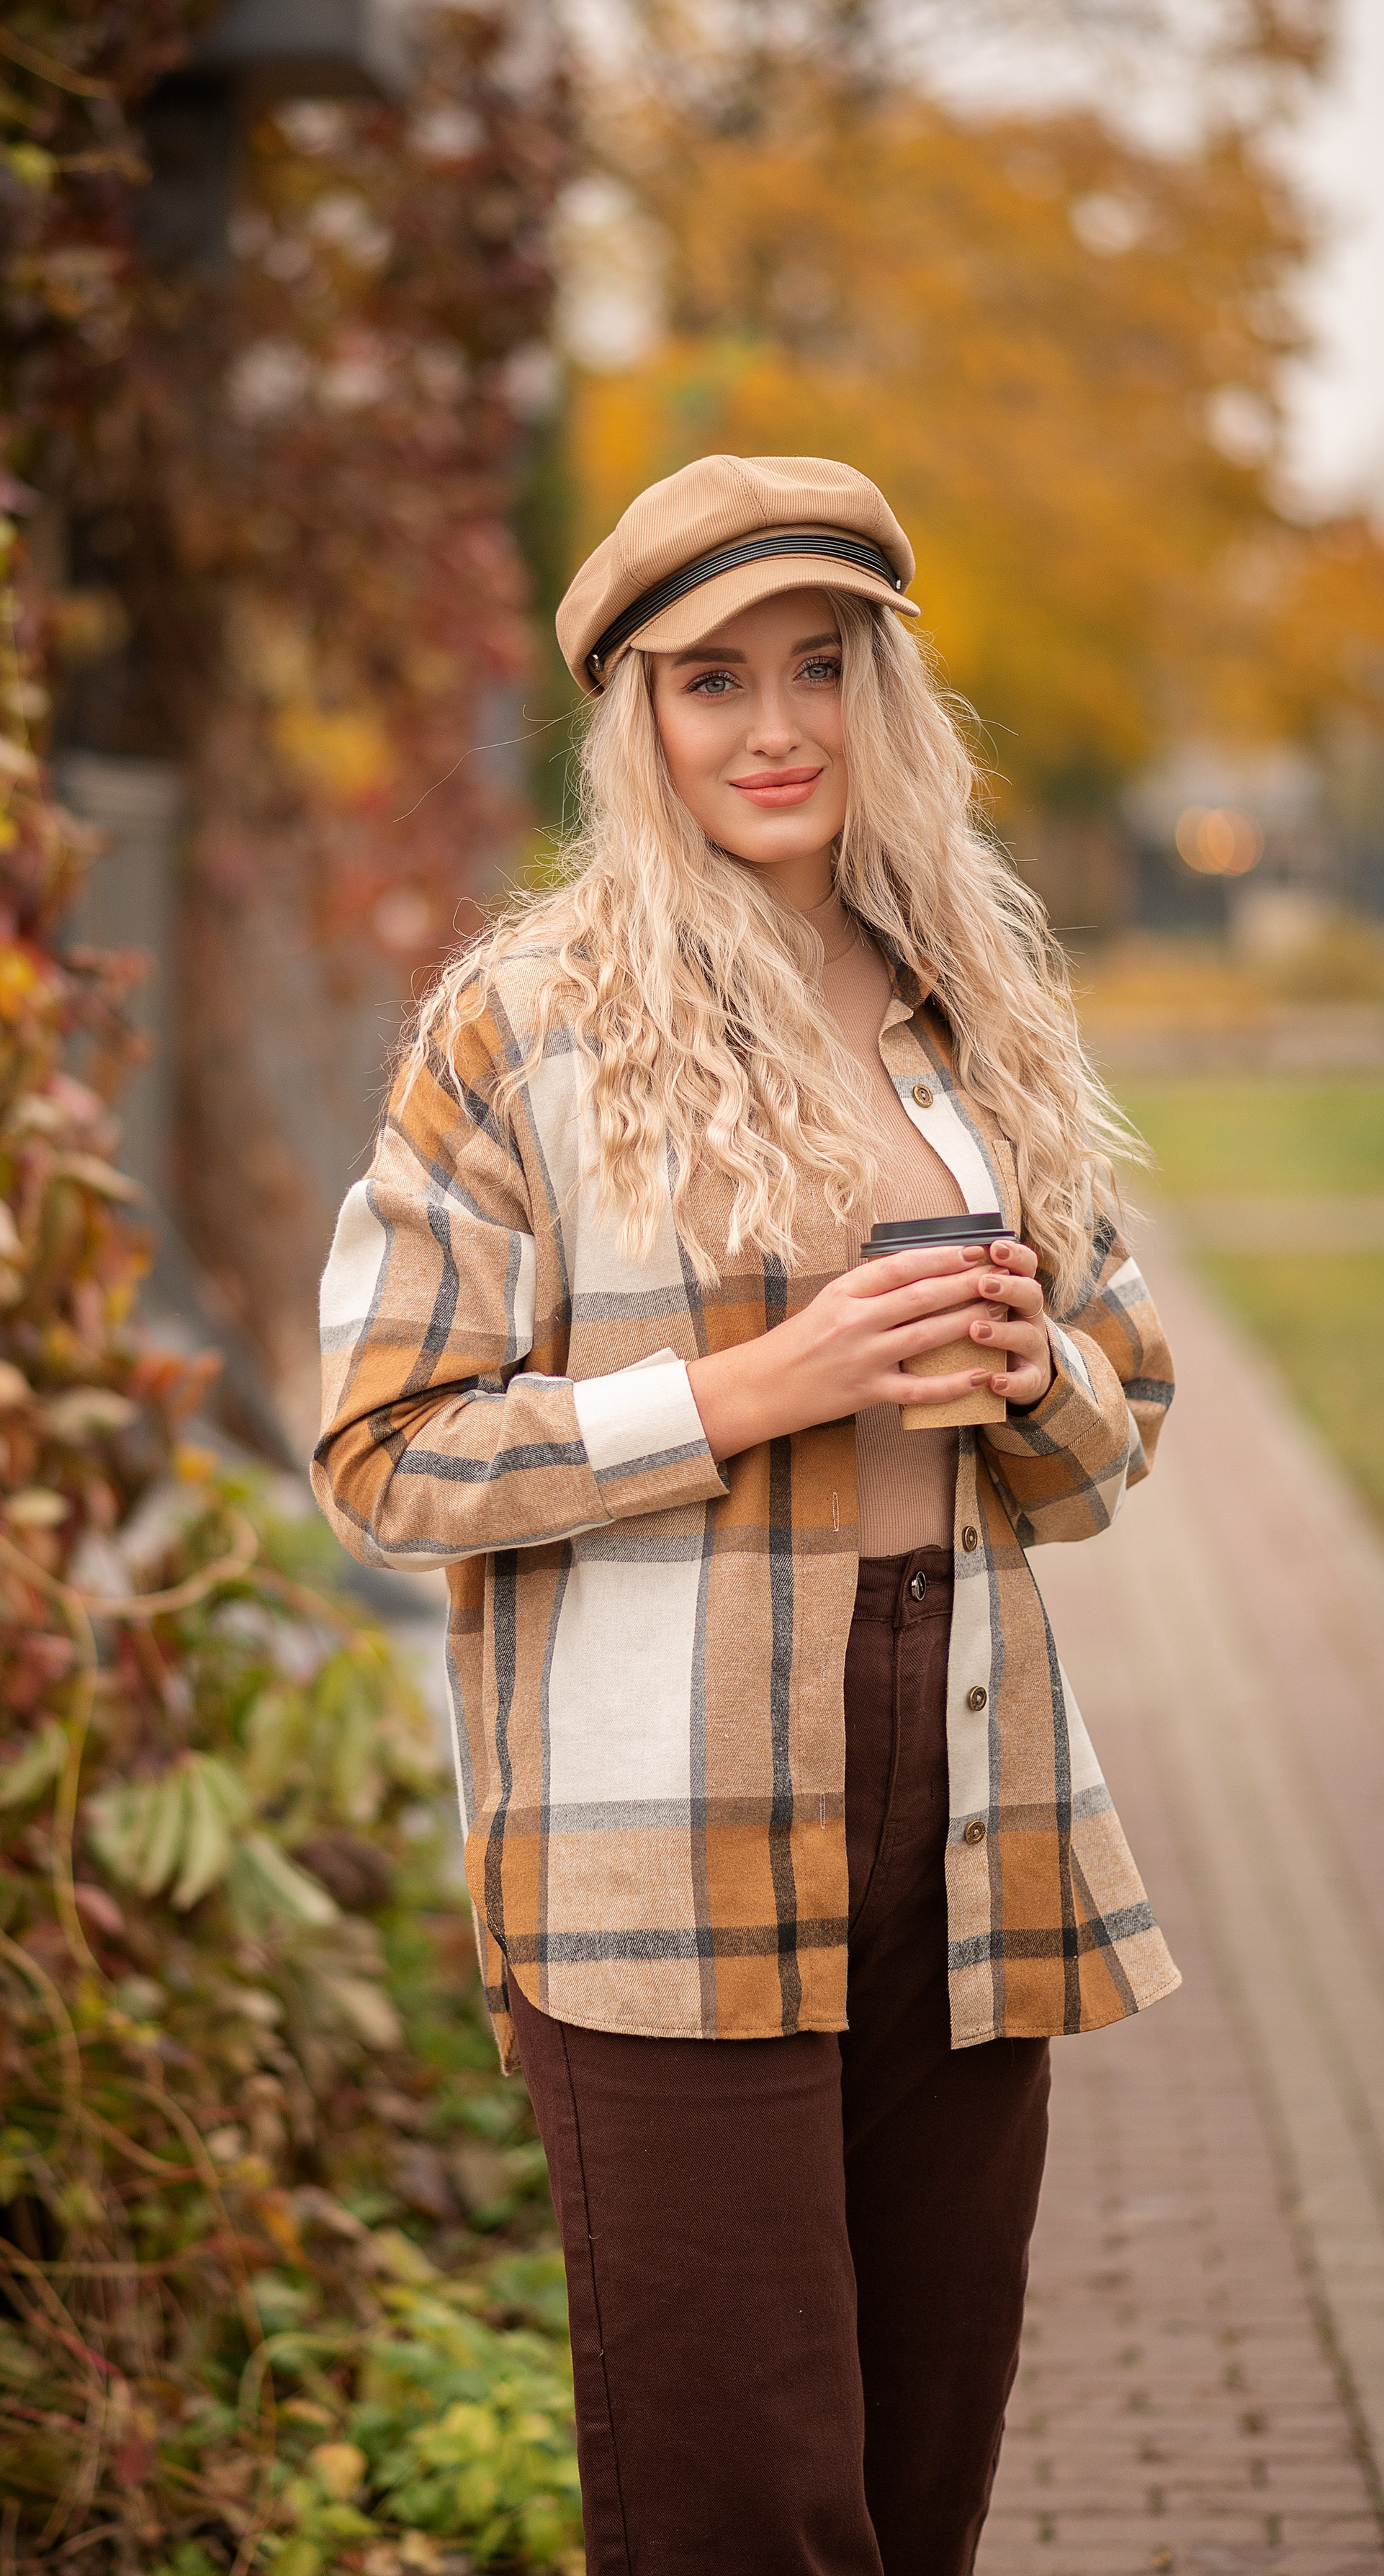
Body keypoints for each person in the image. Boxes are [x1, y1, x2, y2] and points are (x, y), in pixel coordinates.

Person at [313, 454, 1178, 2575]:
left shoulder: (975, 1012)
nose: (776, 727)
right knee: (740, 2502)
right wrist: (745, 1394)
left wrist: (1026, 1377)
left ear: (889, 701)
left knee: (916, 2477)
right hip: (657, 1826)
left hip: (970, 1815)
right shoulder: (533, 1027)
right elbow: (383, 1450)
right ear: (640, 719)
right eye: (715, 681)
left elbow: (1112, 1427)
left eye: (822, 668)